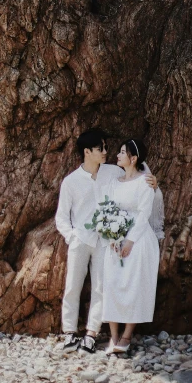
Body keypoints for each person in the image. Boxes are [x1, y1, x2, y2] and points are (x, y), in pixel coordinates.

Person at [55, 128, 162, 353]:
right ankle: (69, 333)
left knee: (101, 287)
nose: (106, 151)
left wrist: (153, 182)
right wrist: (72, 236)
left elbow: (136, 173)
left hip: (106, 241)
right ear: (87, 152)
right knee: (72, 286)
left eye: (105, 147)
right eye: (100, 148)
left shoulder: (112, 172)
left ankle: (92, 334)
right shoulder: (71, 181)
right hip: (81, 239)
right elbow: (61, 217)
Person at [100, 138, 160, 354]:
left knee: (133, 285)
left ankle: (127, 335)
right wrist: (112, 236)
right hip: (115, 238)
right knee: (112, 283)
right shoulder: (114, 181)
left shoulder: (145, 182)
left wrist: (130, 241)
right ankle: (113, 336)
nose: (117, 155)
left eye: (122, 152)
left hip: (138, 238)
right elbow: (108, 208)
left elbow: (144, 213)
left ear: (133, 158)